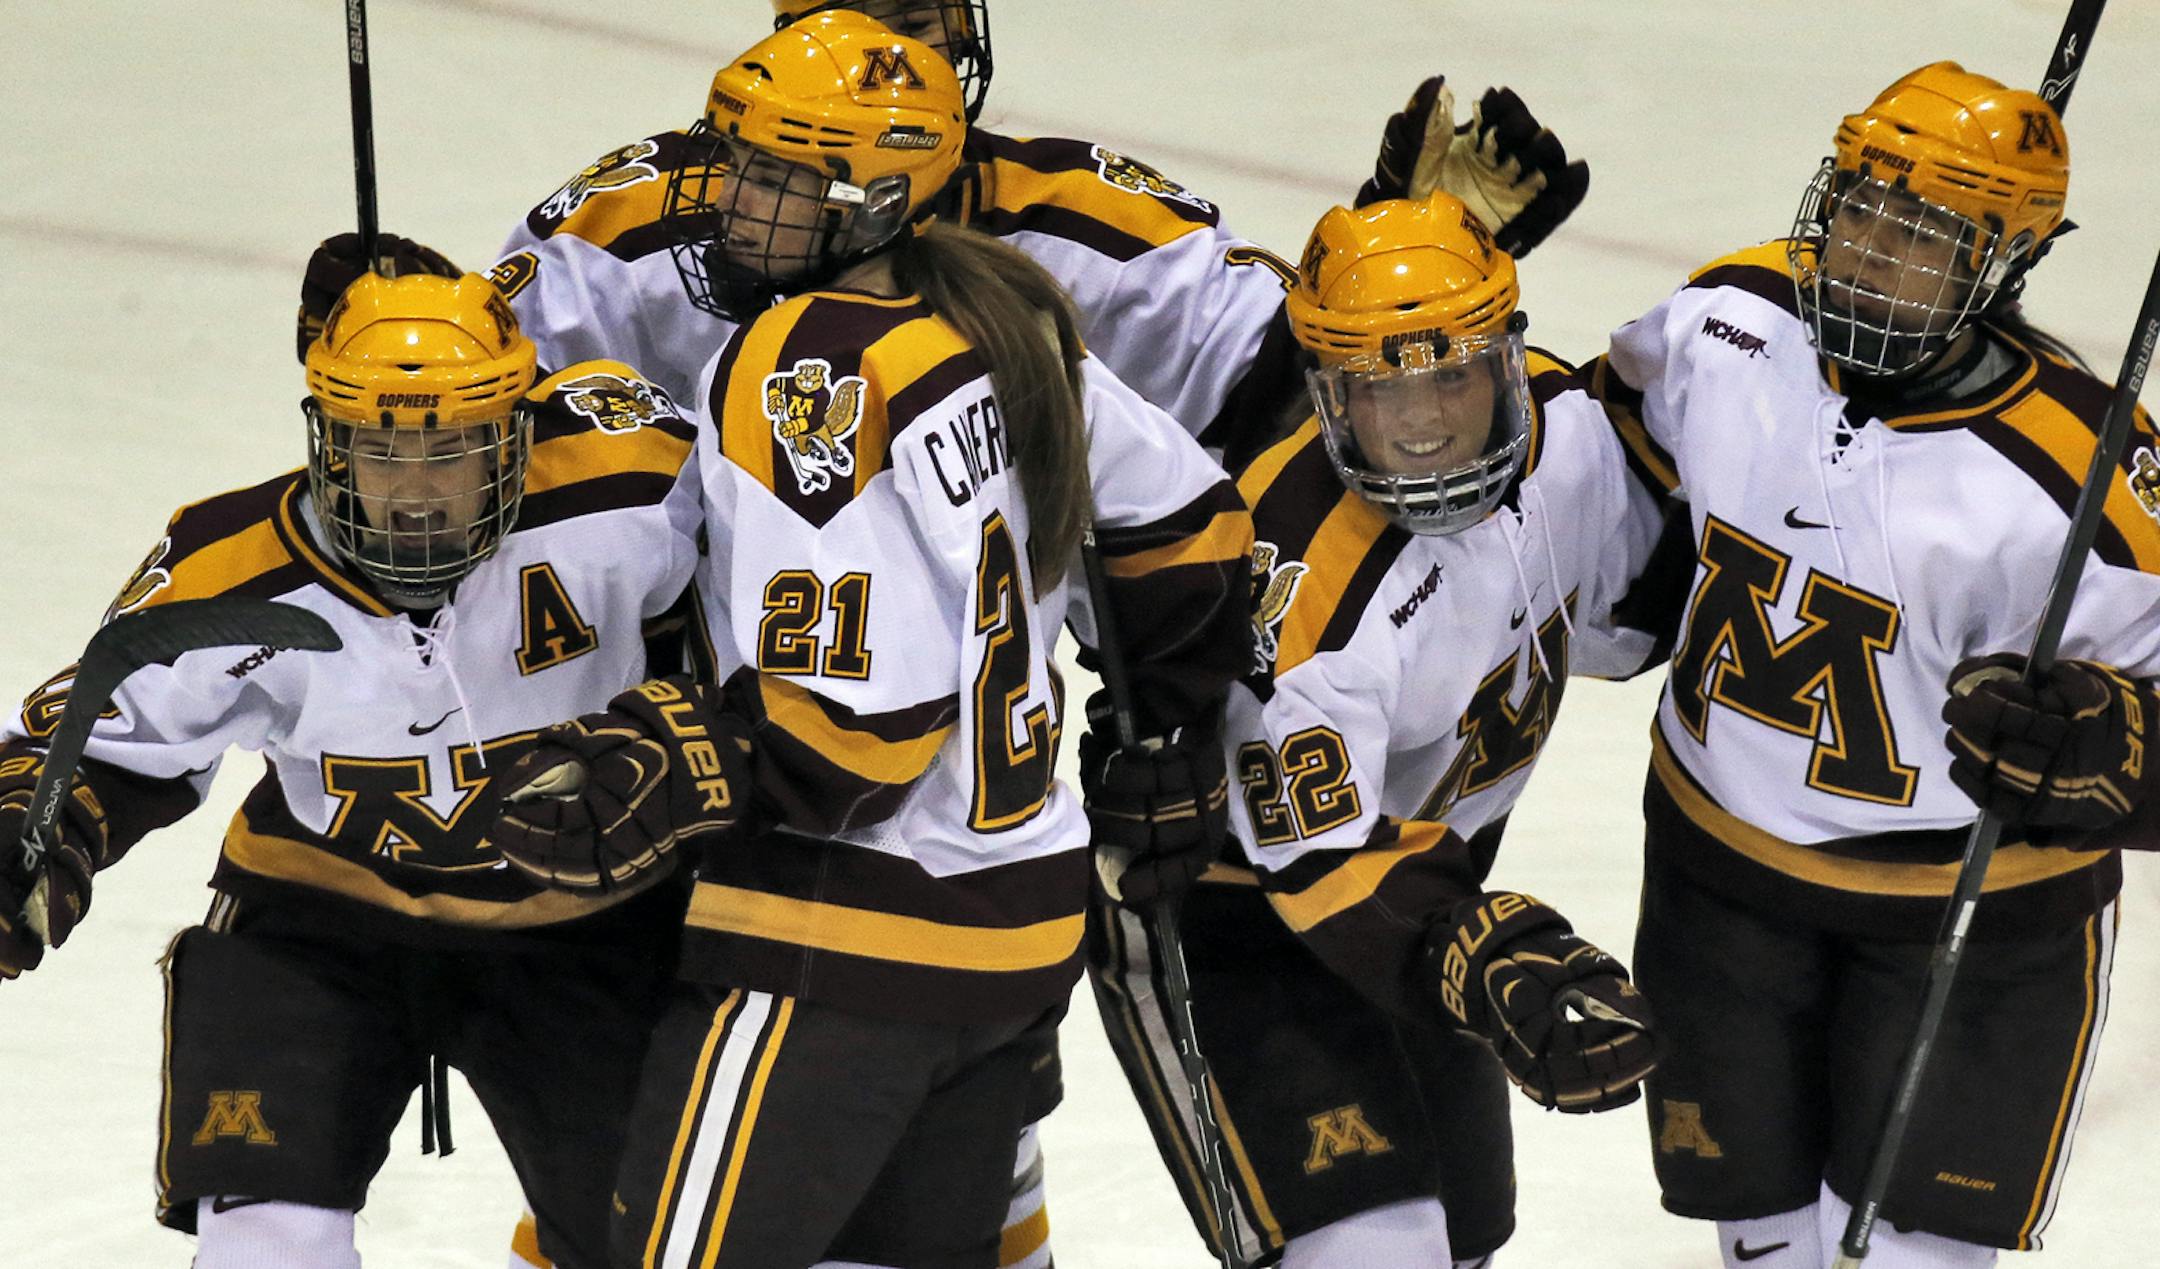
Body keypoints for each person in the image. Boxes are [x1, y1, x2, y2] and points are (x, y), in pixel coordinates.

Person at [480, 15, 1252, 1268]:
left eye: (778, 180)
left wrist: (680, 750)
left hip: (838, 941)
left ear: (877, 197)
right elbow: (1195, 532)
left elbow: (855, 734)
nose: (734, 202)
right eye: (735, 163)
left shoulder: (805, 364)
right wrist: (1156, 725)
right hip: (1013, 931)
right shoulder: (1017, 326)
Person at [0, 272, 710, 1268]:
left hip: (581, 925)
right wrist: (33, 833)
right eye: (380, 448)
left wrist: (703, 734)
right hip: (321, 922)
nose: (415, 487)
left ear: (516, 428)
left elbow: (772, 625)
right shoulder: (227, 572)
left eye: (453, 448)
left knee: (642, 1245)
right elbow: (82, 746)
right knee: (268, 1246)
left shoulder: (634, 487)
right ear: (327, 438)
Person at [1588, 61, 2160, 1268]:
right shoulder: (1724, 321)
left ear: (2006, 260)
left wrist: (2116, 746)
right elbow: (1614, 467)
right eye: (1859, 209)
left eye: (1923, 235)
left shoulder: (2087, 481)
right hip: (1719, 887)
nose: (1867, 254)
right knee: (1764, 1247)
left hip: (1972, 927)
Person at [1087, 191, 1671, 1268]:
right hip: (1237, 928)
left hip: (1419, 904)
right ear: (1325, 394)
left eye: (1451, 373)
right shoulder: (1303, 585)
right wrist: (1484, 952)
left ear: (1507, 359)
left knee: (1463, 1246)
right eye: (1376, 387)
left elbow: (1670, 592)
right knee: (1372, 1256)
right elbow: (1318, 861)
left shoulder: (1576, 449)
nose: (1421, 422)